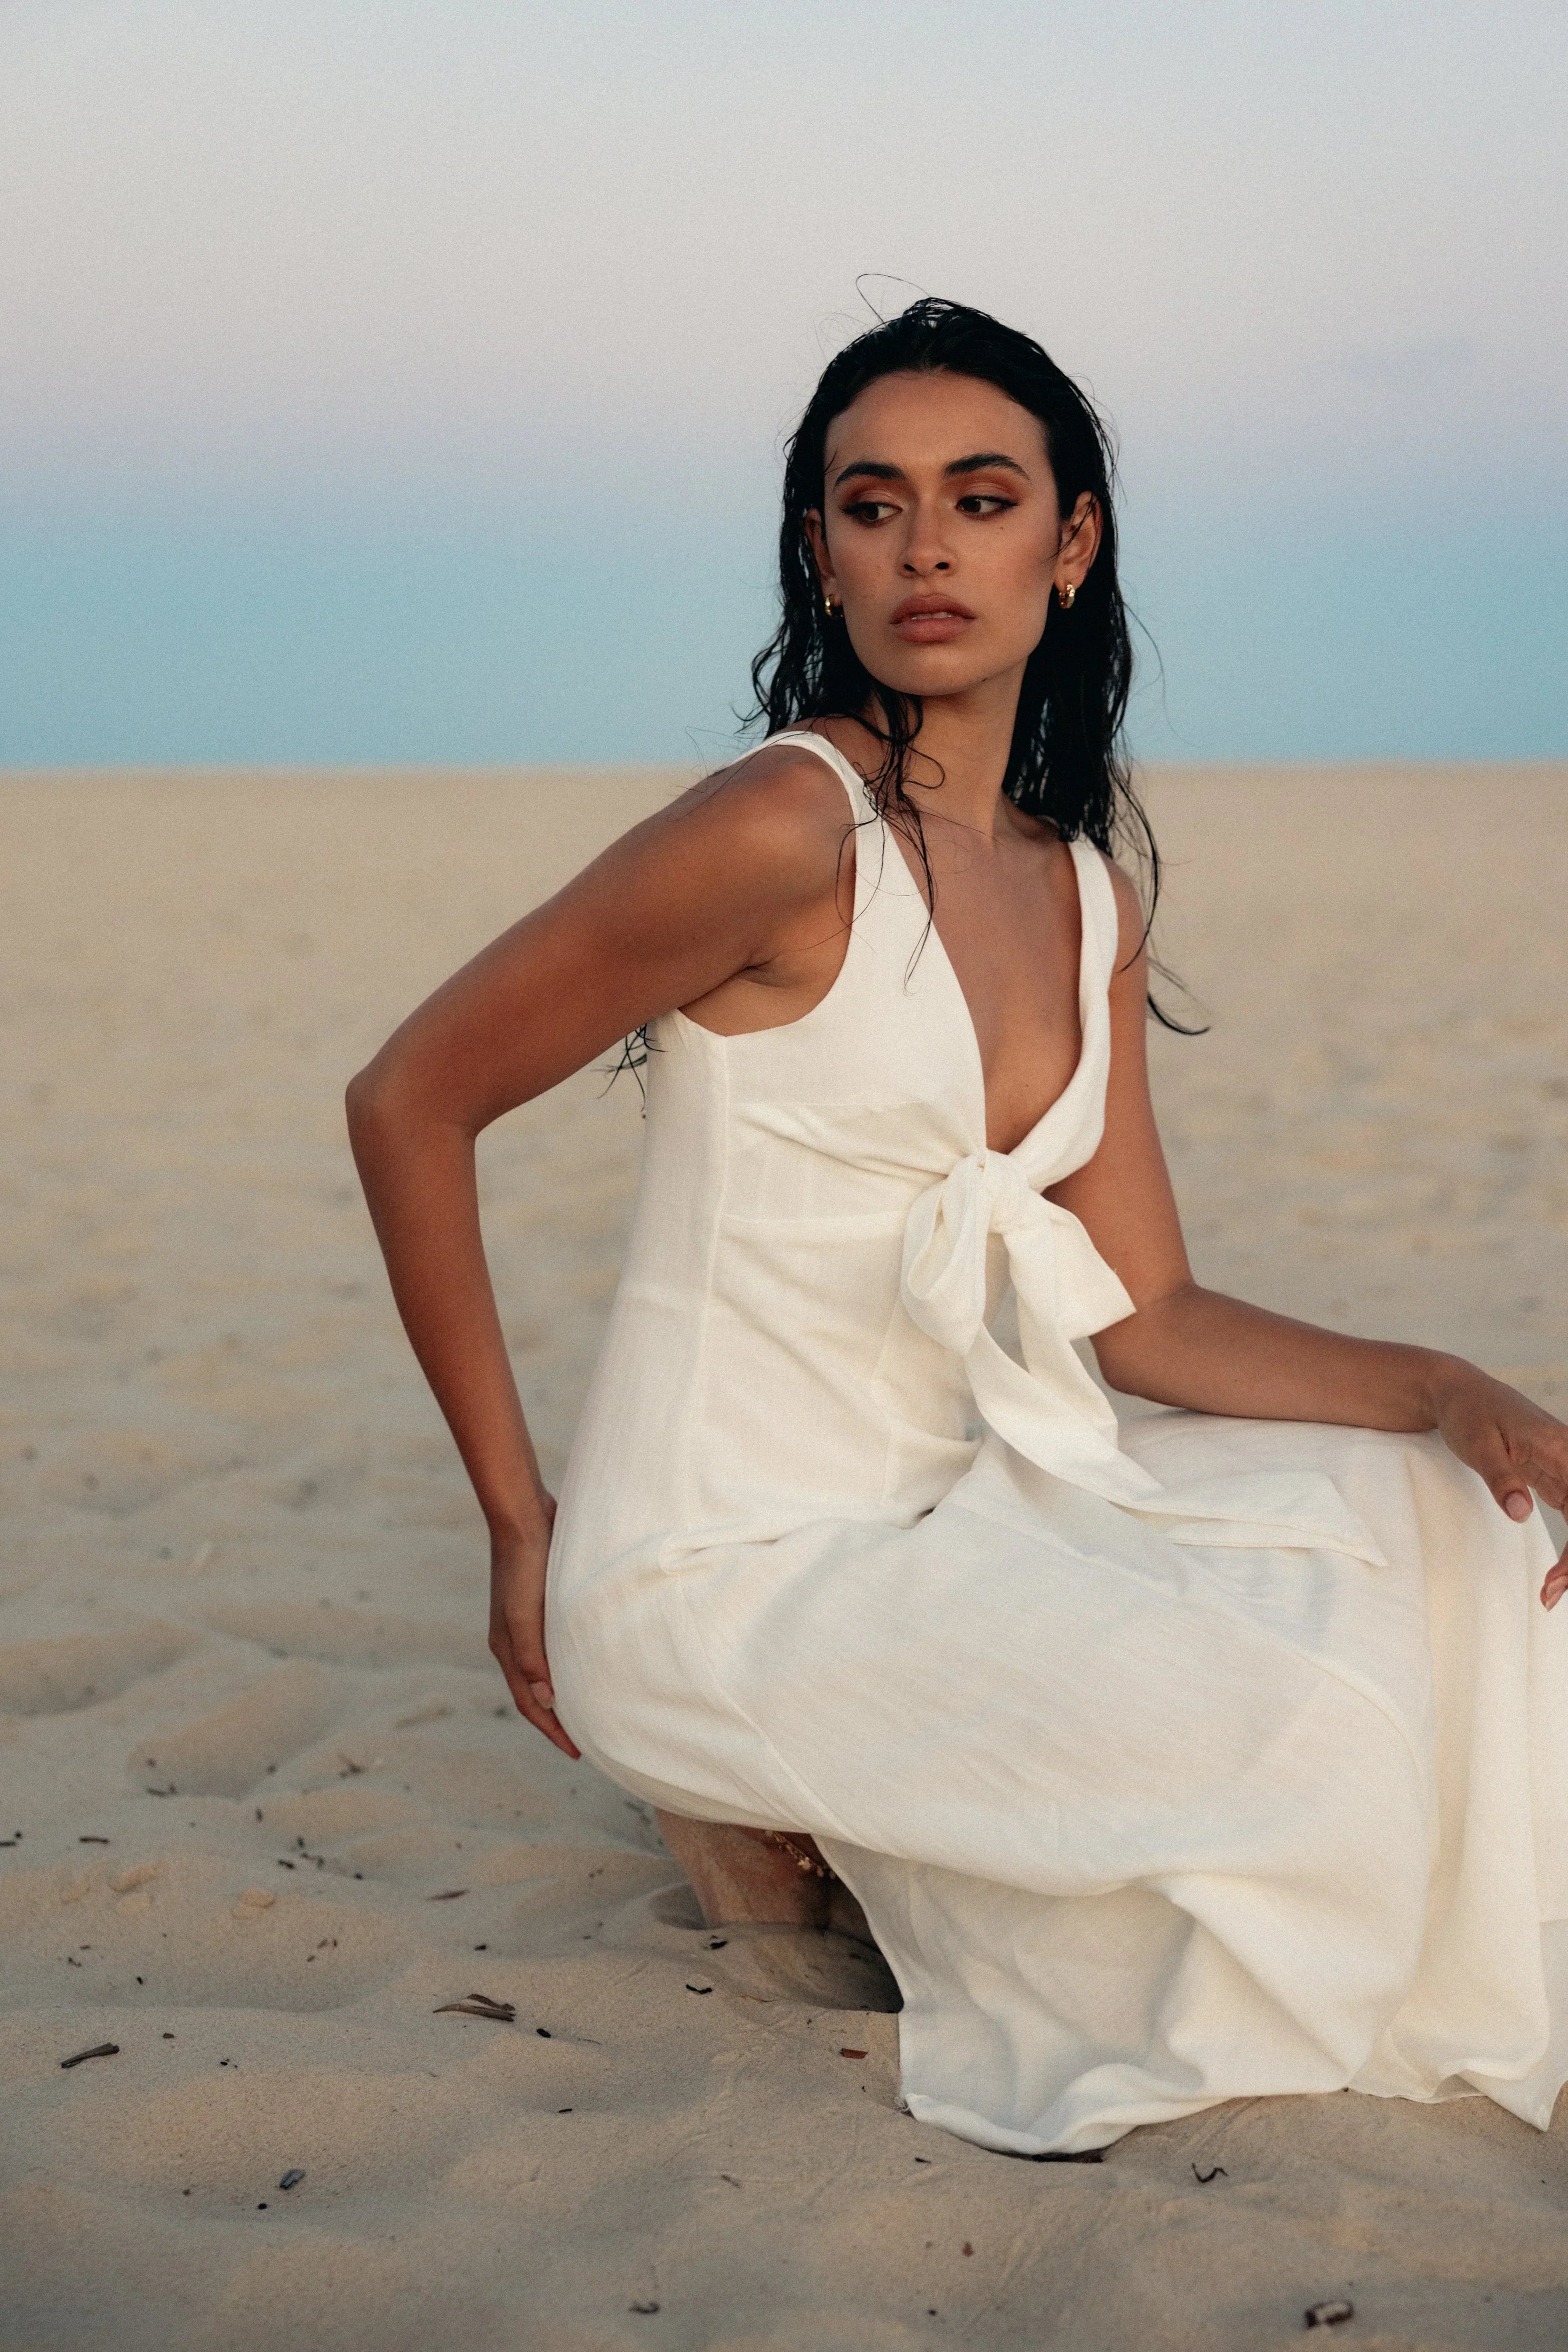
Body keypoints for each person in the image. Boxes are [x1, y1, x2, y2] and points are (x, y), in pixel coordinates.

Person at [347, 297, 1568, 2156]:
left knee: (1451, 1522)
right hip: (716, 1568)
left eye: (980, 499)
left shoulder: (1082, 894)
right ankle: (749, 1786)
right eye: (872, 505)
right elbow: (409, 1100)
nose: (925, 547)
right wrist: (522, 1522)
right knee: (1297, 1730)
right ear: (820, 551)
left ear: (1068, 545)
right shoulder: (785, 827)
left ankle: (852, 1823)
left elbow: (1146, 1316)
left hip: (959, 1511)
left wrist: (1449, 1386)